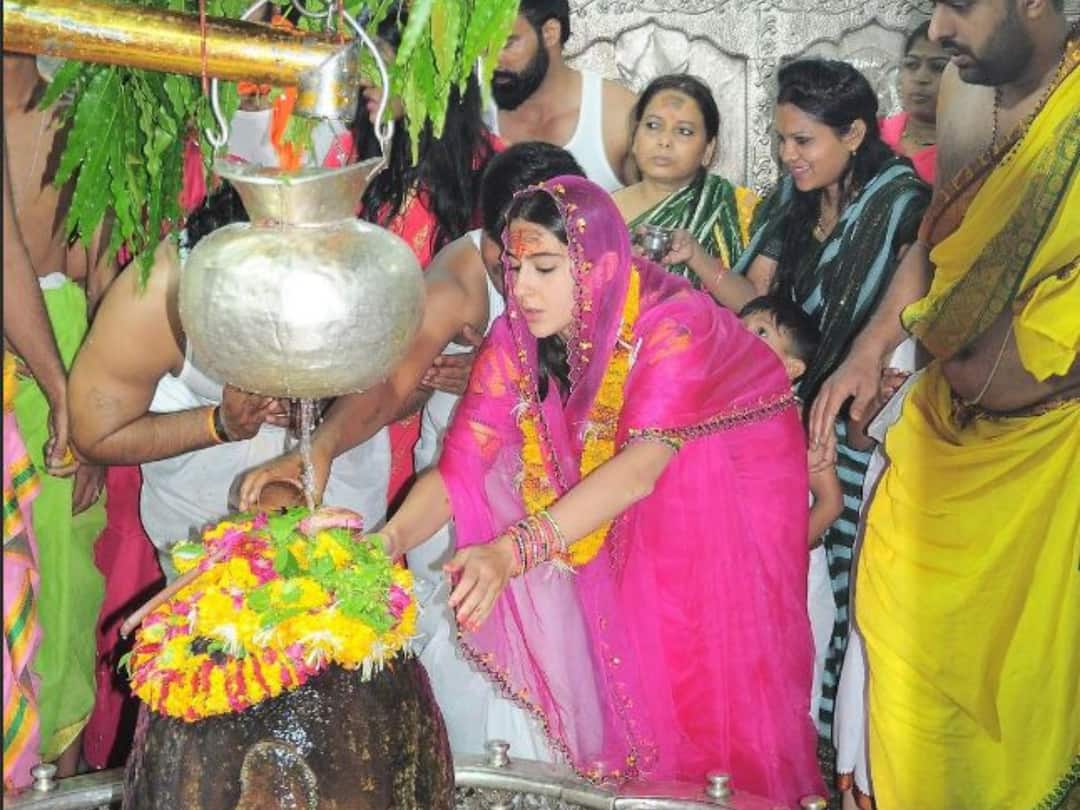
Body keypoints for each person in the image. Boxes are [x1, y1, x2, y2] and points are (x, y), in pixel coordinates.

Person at [368, 176, 824, 804]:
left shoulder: (674, 326)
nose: (520, 289)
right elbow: (463, 465)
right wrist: (382, 541)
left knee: (695, 672)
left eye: (545, 268)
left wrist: (512, 551)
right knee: (618, 645)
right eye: (514, 267)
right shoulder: (518, 334)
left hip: (723, 483)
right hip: (628, 476)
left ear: (601, 264)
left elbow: (639, 470)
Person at [808, 0, 1079, 803]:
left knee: (1029, 695)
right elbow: (935, 242)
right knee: (901, 665)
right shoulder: (965, 97)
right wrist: (865, 350)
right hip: (941, 444)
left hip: (1055, 464)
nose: (939, 30)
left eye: (959, 7)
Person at [676, 59, 930, 738]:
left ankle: (853, 748)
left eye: (803, 141)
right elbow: (758, 306)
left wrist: (879, 365)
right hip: (781, 417)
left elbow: (917, 306)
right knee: (794, 592)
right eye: (782, 138)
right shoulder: (792, 201)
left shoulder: (901, 202)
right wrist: (696, 263)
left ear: (854, 133)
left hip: (865, 418)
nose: (787, 155)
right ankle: (802, 734)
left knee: (863, 589)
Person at [67, 184, 390, 583]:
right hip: (201, 508)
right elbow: (95, 435)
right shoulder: (154, 296)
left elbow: (395, 387)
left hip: (336, 473)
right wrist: (220, 424)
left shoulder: (352, 270)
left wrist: (324, 414)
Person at [3, 53, 110, 779]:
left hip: (63, 365)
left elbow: (100, 274)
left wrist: (93, 419)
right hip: (42, 378)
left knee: (65, 590)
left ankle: (58, 779)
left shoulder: (79, 112)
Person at [354, 3, 501, 504]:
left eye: (383, 66)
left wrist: (489, 362)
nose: (366, 82)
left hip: (449, 403)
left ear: (427, 75)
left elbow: (531, 299)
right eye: (364, 65)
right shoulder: (353, 157)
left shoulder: (495, 171)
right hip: (358, 392)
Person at [738, 295, 843, 743]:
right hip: (742, 574)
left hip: (794, 576)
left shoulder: (799, 421)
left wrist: (780, 562)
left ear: (792, 369)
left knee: (787, 693)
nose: (743, 336)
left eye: (761, 332)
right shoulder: (721, 411)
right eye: (740, 326)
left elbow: (830, 503)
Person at [614, 74, 758, 286]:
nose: (664, 141)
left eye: (684, 131)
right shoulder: (599, 213)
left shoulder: (738, 211)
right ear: (635, 137)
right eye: (653, 126)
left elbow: (758, 306)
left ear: (708, 149)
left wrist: (700, 260)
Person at [489, 0, 637, 191]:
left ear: (550, 33)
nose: (492, 60)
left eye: (507, 43)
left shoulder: (618, 116)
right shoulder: (471, 114)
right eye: (486, 47)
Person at [880, 21, 949, 183]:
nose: (921, 78)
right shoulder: (876, 134)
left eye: (938, 67)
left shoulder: (966, 154)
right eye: (911, 64)